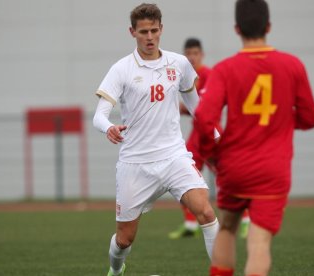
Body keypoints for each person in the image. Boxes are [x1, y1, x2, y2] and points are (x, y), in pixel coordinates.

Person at [193, 0, 314, 275]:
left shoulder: (225, 70)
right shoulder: (292, 65)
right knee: (259, 243)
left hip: (234, 167)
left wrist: (210, 153)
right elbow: (311, 118)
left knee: (226, 228)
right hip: (273, 171)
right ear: (269, 27)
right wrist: (282, 121)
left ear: (237, 28)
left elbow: (204, 118)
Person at [92, 3, 219, 276]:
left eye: (153, 30)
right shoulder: (121, 69)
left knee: (207, 214)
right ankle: (116, 271)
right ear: (132, 32)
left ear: (161, 29)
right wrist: (109, 128)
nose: (149, 37)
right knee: (125, 239)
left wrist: (217, 134)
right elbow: (98, 116)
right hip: (135, 163)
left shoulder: (179, 64)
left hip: (174, 157)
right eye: (143, 32)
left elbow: (197, 106)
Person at [168, 37, 213, 239]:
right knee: (183, 175)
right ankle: (190, 224)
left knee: (231, 175)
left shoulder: (208, 74)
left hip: (211, 131)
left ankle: (247, 220)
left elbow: (202, 105)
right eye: (188, 54)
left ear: (201, 54)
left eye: (195, 53)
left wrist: (178, 107)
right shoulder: (183, 74)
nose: (192, 57)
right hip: (196, 133)